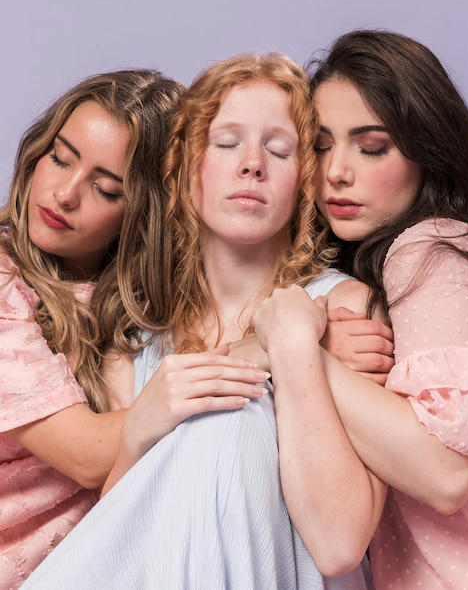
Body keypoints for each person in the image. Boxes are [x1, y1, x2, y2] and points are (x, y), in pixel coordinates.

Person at [21, 52, 391, 590]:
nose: (251, 164)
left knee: (226, 419)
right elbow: (121, 537)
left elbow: (338, 547)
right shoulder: (134, 337)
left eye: (279, 150)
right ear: (185, 169)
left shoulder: (345, 308)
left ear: (305, 181)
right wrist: (137, 432)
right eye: (225, 143)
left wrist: (295, 350)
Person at [250, 29, 468, 589]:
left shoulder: (431, 248)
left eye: (372, 147)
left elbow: (446, 473)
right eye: (319, 144)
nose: (336, 170)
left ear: (428, 153)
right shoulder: (372, 268)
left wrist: (298, 350)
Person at [0, 69, 184, 588]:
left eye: (105, 189)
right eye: (59, 157)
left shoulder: (150, 306)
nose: (64, 194)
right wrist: (261, 347)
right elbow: (85, 456)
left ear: (142, 214)